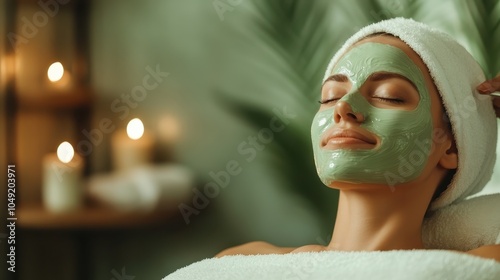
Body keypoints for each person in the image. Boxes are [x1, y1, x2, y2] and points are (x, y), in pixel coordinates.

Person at [215, 18, 500, 261]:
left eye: (388, 96)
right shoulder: (241, 262)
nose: (342, 108)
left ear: (450, 145)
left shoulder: (479, 265)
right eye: (330, 97)